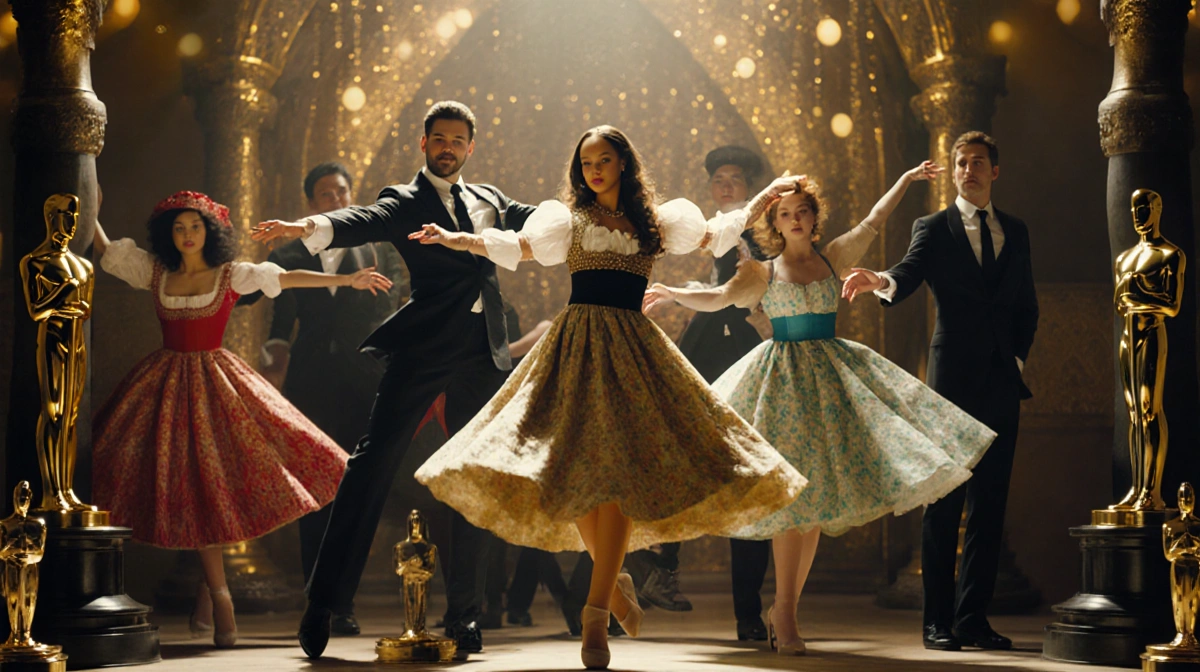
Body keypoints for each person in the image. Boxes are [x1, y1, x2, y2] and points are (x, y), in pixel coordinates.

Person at [409, 125, 806, 670]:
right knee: (572, 474)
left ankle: (595, 613)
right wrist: (458, 240)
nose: (594, 170)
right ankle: (611, 581)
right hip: (576, 347)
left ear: (623, 164)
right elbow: (520, 247)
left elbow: (718, 232)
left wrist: (766, 195)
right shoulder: (567, 220)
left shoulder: (655, 222)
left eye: (603, 160)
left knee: (616, 477)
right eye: (586, 163)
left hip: (633, 351)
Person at [645, 160, 995, 655]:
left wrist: (905, 179)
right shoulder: (763, 270)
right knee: (792, 504)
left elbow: (874, 220)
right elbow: (719, 297)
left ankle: (785, 608)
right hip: (780, 382)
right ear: (775, 222)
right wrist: (672, 294)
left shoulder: (833, 257)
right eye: (785, 213)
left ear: (813, 217)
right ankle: (785, 613)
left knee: (811, 509)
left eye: (802, 211)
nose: (794, 219)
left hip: (829, 380)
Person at [251, 101, 538, 659]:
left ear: (471, 146)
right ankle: (324, 603)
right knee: (370, 466)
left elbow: (546, 220)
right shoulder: (404, 200)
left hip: (482, 352)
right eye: (439, 139)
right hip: (424, 347)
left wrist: (602, 211)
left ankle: (466, 614)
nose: (448, 148)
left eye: (458, 140)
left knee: (475, 477)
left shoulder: (491, 199)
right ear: (424, 143)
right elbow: (360, 218)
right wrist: (310, 226)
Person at [90, 190, 392, 649]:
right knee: (184, 485)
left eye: (195, 226)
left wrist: (348, 279)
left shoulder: (230, 274)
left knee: (217, 485)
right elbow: (111, 254)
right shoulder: (157, 273)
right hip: (164, 387)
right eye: (179, 228)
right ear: (168, 234)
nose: (188, 235)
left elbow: (285, 278)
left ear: (209, 232)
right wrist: (92, 214)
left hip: (216, 386)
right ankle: (215, 592)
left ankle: (217, 595)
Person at [842, 131, 1039, 651]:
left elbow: (1026, 306)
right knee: (944, 504)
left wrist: (1015, 360)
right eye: (961, 163)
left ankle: (973, 619)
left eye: (978, 162)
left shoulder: (1016, 231)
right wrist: (879, 280)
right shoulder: (932, 227)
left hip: (1002, 383)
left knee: (989, 507)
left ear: (994, 171)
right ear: (953, 172)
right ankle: (937, 623)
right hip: (950, 383)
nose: (968, 169)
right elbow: (907, 275)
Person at [238, 162, 394, 637]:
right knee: (316, 493)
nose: (336, 199)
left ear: (352, 195)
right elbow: (279, 324)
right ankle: (319, 601)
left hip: (366, 385)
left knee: (356, 493)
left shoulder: (379, 249)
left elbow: (394, 312)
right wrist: (273, 359)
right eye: (326, 194)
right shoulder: (287, 253)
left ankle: (344, 602)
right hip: (309, 386)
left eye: (342, 192)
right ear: (311, 202)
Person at [632, 145, 775, 638]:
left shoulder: (766, 234)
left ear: (750, 187)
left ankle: (748, 612)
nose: (726, 185)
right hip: (706, 342)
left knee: (747, 477)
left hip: (749, 348)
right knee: (677, 452)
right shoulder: (708, 231)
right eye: (719, 180)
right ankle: (658, 563)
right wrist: (690, 293)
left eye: (735, 178)